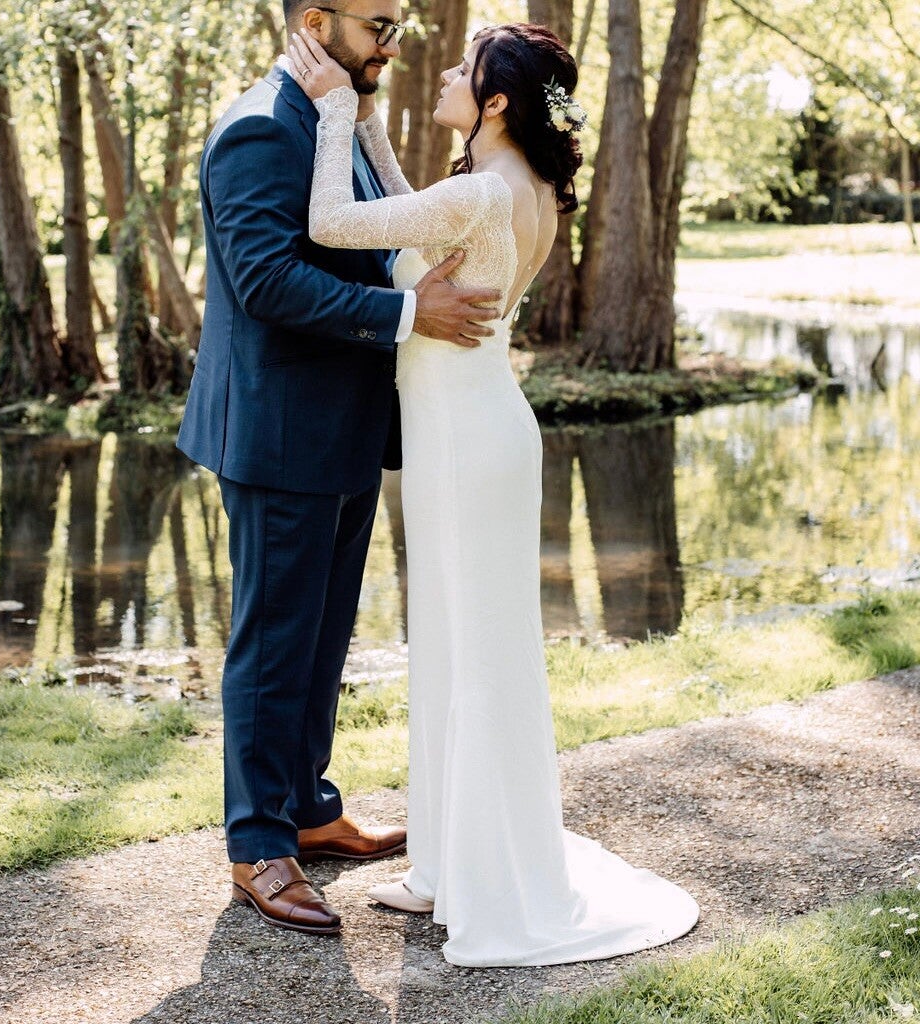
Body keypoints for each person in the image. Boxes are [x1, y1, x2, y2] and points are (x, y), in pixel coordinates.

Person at [287, 21, 701, 966]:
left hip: (465, 447)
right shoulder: (517, 188)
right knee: (453, 646)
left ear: (498, 100)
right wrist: (373, 130)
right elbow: (415, 211)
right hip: (477, 435)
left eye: (463, 69)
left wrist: (335, 112)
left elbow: (331, 224)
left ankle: (483, 882)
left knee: (471, 654)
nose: (442, 71)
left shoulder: (479, 193)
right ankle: (445, 864)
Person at [176, 0, 504, 937]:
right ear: (317, 21)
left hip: (348, 427)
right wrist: (409, 315)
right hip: (279, 434)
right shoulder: (257, 128)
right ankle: (257, 845)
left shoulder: (337, 116)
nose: (392, 44)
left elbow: (367, 238)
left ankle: (309, 811)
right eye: (378, 26)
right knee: (274, 641)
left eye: (397, 26)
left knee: (322, 639)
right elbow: (265, 281)